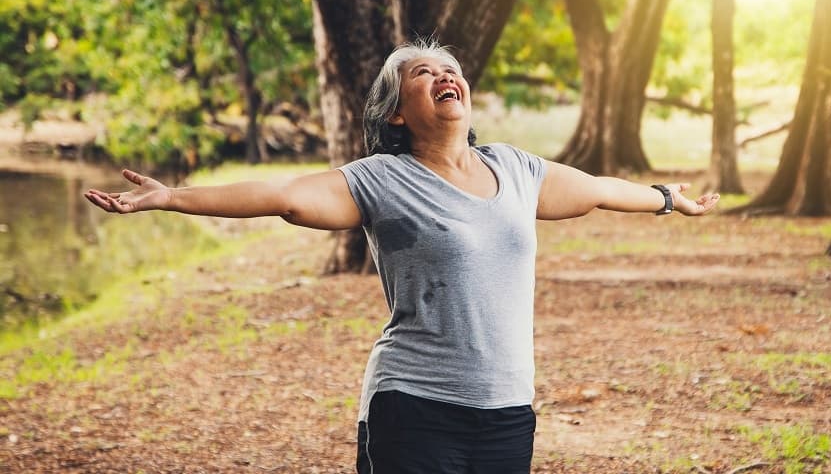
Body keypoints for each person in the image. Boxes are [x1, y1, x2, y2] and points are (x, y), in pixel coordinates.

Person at [85, 39, 720, 474]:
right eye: (422, 73)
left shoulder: (517, 169)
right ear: (396, 113)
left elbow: (600, 192)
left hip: (507, 409)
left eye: (449, 69)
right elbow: (283, 195)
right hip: (415, 404)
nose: (444, 75)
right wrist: (172, 198)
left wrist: (667, 198)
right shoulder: (383, 178)